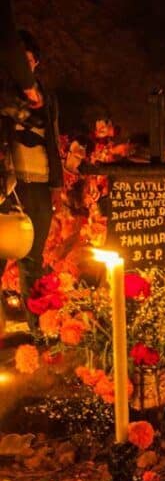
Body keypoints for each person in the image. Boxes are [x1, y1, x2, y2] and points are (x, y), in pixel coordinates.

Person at [0, 29, 62, 333]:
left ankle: (37, 327)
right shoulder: (4, 93)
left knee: (32, 258)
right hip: (7, 184)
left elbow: (52, 140)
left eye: (28, 61)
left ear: (36, 62)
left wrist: (57, 185)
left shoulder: (47, 97)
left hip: (39, 184)